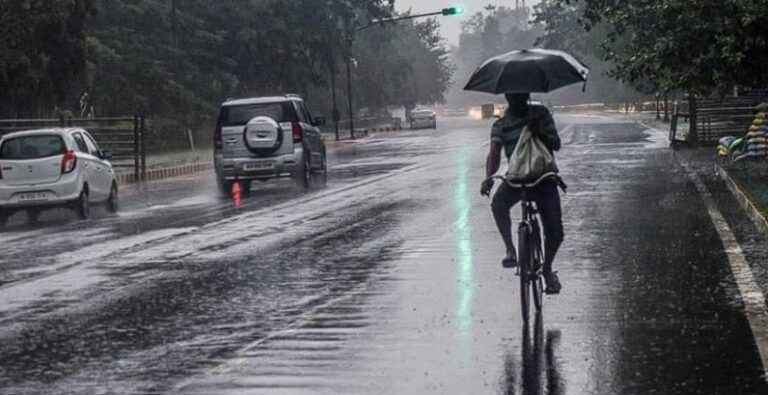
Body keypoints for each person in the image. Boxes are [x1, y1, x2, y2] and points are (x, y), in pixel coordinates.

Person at [480, 93, 564, 294]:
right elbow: (494, 154)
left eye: (520, 93)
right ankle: (510, 249)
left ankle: (547, 268)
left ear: (526, 94)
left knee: (555, 230)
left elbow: (556, 144)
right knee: (498, 205)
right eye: (513, 94)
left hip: (543, 178)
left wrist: (540, 132)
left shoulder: (541, 114)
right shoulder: (501, 124)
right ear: (508, 96)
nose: (517, 97)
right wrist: (488, 177)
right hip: (517, 179)